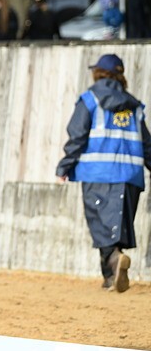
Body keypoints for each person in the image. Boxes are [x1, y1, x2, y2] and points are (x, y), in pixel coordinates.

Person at [56, 54, 151, 292]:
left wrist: (65, 166)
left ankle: (114, 261)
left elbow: (77, 136)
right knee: (117, 225)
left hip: (97, 173)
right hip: (130, 175)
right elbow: (147, 144)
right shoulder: (135, 106)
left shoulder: (90, 100)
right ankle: (110, 278)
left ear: (98, 73)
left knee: (100, 225)